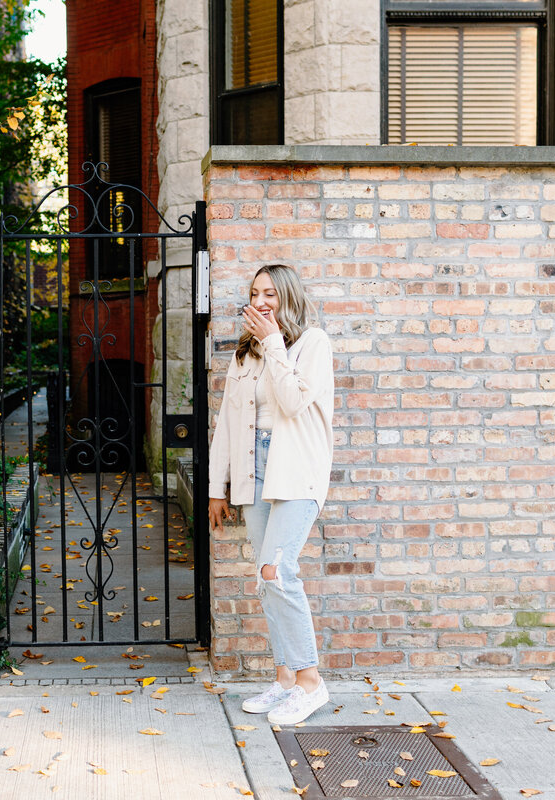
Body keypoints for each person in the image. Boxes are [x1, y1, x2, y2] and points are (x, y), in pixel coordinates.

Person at [208, 263, 334, 726]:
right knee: (265, 580)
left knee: (277, 571)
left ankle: (310, 682)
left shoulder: (312, 343)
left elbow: (293, 401)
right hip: (253, 471)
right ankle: (284, 681)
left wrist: (275, 343)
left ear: (288, 298)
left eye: (271, 295)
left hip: (296, 470)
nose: (260, 302)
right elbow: (226, 422)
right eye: (255, 294)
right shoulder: (245, 355)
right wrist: (215, 488)